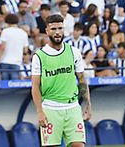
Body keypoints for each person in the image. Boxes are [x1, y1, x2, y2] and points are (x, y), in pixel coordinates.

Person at [30, 13, 90, 147]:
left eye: (60, 28)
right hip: (50, 109)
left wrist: (87, 103)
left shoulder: (74, 52)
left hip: (73, 107)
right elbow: (35, 87)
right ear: (46, 31)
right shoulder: (39, 56)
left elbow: (81, 80)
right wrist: (39, 112)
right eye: (53, 29)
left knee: (78, 145)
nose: (57, 32)